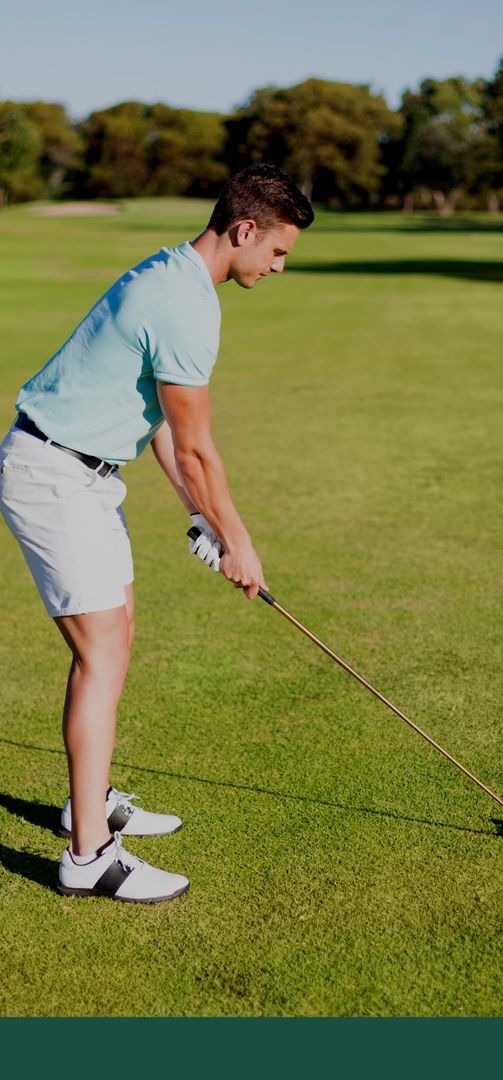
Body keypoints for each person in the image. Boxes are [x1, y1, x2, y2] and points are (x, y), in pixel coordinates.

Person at [0, 163, 314, 903]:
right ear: (244, 229)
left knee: (118, 633)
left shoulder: (176, 276)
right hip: (53, 475)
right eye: (276, 252)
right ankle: (89, 855)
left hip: (84, 473)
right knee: (100, 649)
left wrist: (202, 516)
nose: (277, 266)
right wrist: (239, 540)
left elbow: (173, 437)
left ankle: (93, 797)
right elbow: (201, 447)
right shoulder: (185, 303)